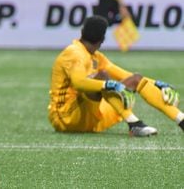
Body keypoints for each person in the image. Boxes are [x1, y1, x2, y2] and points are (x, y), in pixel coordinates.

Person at [48, 16, 183, 137]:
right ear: (102, 39)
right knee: (103, 77)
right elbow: (78, 83)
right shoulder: (74, 52)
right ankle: (133, 123)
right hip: (66, 117)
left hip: (89, 117)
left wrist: (158, 84)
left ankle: (180, 119)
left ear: (82, 33)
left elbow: (126, 76)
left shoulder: (96, 57)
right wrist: (108, 84)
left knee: (136, 79)